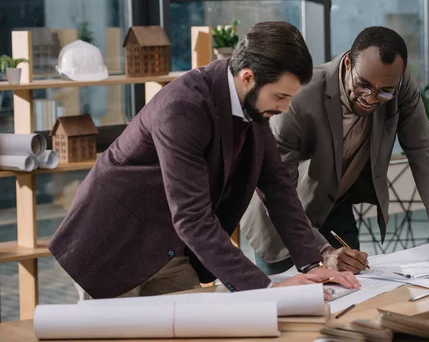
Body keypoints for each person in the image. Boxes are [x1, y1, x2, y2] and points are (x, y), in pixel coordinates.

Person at [49, 21, 359, 300]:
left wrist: (310, 262)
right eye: (280, 97)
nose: (286, 107)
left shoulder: (254, 107)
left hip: (169, 248)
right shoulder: (184, 106)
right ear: (248, 77)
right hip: (113, 243)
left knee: (195, 329)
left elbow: (277, 187)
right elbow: (192, 217)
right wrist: (267, 290)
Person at [241, 26, 429, 275]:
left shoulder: (400, 87)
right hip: (280, 216)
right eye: (363, 86)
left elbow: (423, 151)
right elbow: (278, 192)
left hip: (334, 205)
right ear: (348, 64)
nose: (371, 98)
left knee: (356, 291)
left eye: (384, 92)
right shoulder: (298, 99)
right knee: (291, 306)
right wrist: (324, 251)